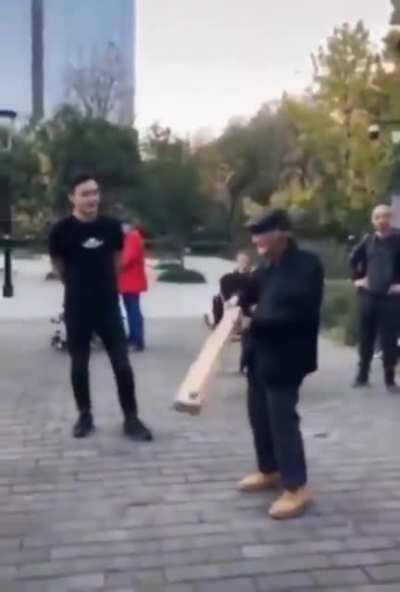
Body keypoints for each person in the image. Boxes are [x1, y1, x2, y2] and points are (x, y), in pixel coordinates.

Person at [49, 171, 153, 441]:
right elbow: (59, 267)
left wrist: (103, 286)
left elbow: (117, 262)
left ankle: (131, 417)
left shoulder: (110, 227)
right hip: (77, 307)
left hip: (108, 306)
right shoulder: (61, 231)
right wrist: (79, 287)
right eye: (85, 194)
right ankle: (85, 415)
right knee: (79, 364)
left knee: (121, 363)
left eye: (95, 192)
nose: (92, 198)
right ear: (72, 197)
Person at [236, 209, 324, 520]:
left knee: (282, 420)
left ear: (282, 233)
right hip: (259, 355)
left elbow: (298, 314)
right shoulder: (267, 268)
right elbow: (250, 293)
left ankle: (296, 487)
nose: (256, 239)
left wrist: (254, 323)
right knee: (259, 415)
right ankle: (269, 470)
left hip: (287, 357)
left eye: (262, 232)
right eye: (253, 233)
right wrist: (239, 302)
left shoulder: (306, 266)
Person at [350, 204, 400, 392]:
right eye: (378, 217)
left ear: (391, 218)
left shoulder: (398, 239)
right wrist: (357, 280)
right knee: (365, 338)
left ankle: (390, 380)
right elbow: (354, 260)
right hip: (368, 297)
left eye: (386, 216)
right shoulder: (367, 241)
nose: (382, 220)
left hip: (391, 299)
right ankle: (362, 376)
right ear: (373, 221)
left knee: (389, 340)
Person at [205, 251, 253, 329]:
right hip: (229, 301)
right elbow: (223, 285)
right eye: (241, 261)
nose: (243, 263)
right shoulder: (229, 277)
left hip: (244, 302)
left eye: (245, 261)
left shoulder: (252, 277)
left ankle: (241, 323)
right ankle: (218, 322)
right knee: (216, 298)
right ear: (237, 262)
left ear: (249, 262)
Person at [119, 222, 148, 352]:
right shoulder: (131, 237)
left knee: (133, 311)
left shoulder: (132, 238)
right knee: (131, 310)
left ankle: (136, 341)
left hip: (131, 282)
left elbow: (126, 259)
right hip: (129, 282)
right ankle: (134, 339)